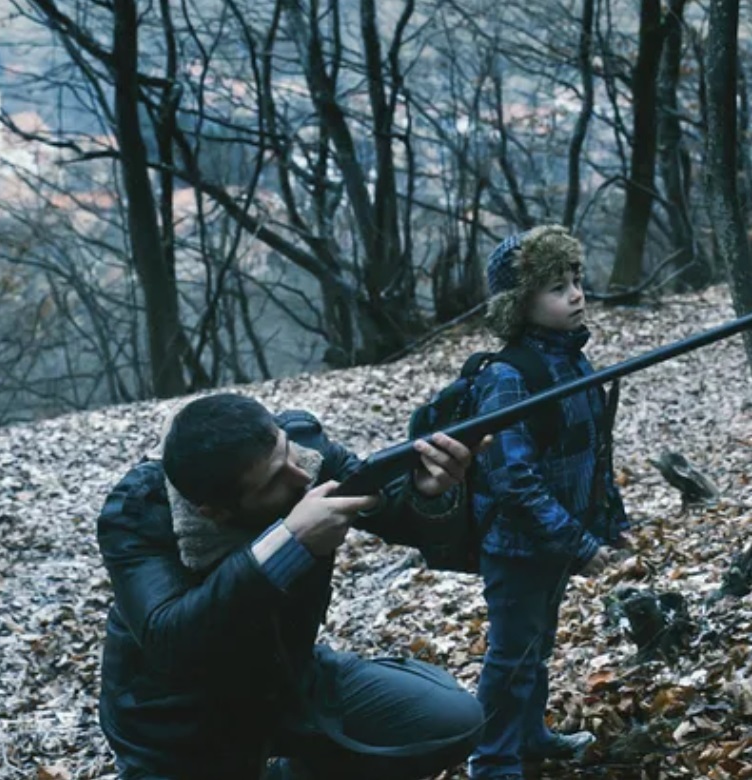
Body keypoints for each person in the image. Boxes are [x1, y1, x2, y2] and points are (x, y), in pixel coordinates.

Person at [95, 392, 486, 779]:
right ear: (212, 511)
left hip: (285, 675)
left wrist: (428, 490)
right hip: (173, 717)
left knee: (453, 721)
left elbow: (397, 513)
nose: (300, 476)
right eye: (273, 482)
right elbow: (171, 638)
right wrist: (288, 544)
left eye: (288, 452)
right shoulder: (137, 510)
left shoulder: (303, 450)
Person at [467, 225, 630, 779]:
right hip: (516, 548)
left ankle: (530, 737)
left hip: (556, 541)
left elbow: (592, 452)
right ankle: (492, 762)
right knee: (511, 656)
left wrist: (610, 521)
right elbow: (515, 483)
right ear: (520, 304)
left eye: (576, 279)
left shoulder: (572, 361)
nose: (577, 295)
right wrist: (579, 544)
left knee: (536, 648)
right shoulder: (510, 378)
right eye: (557, 288)